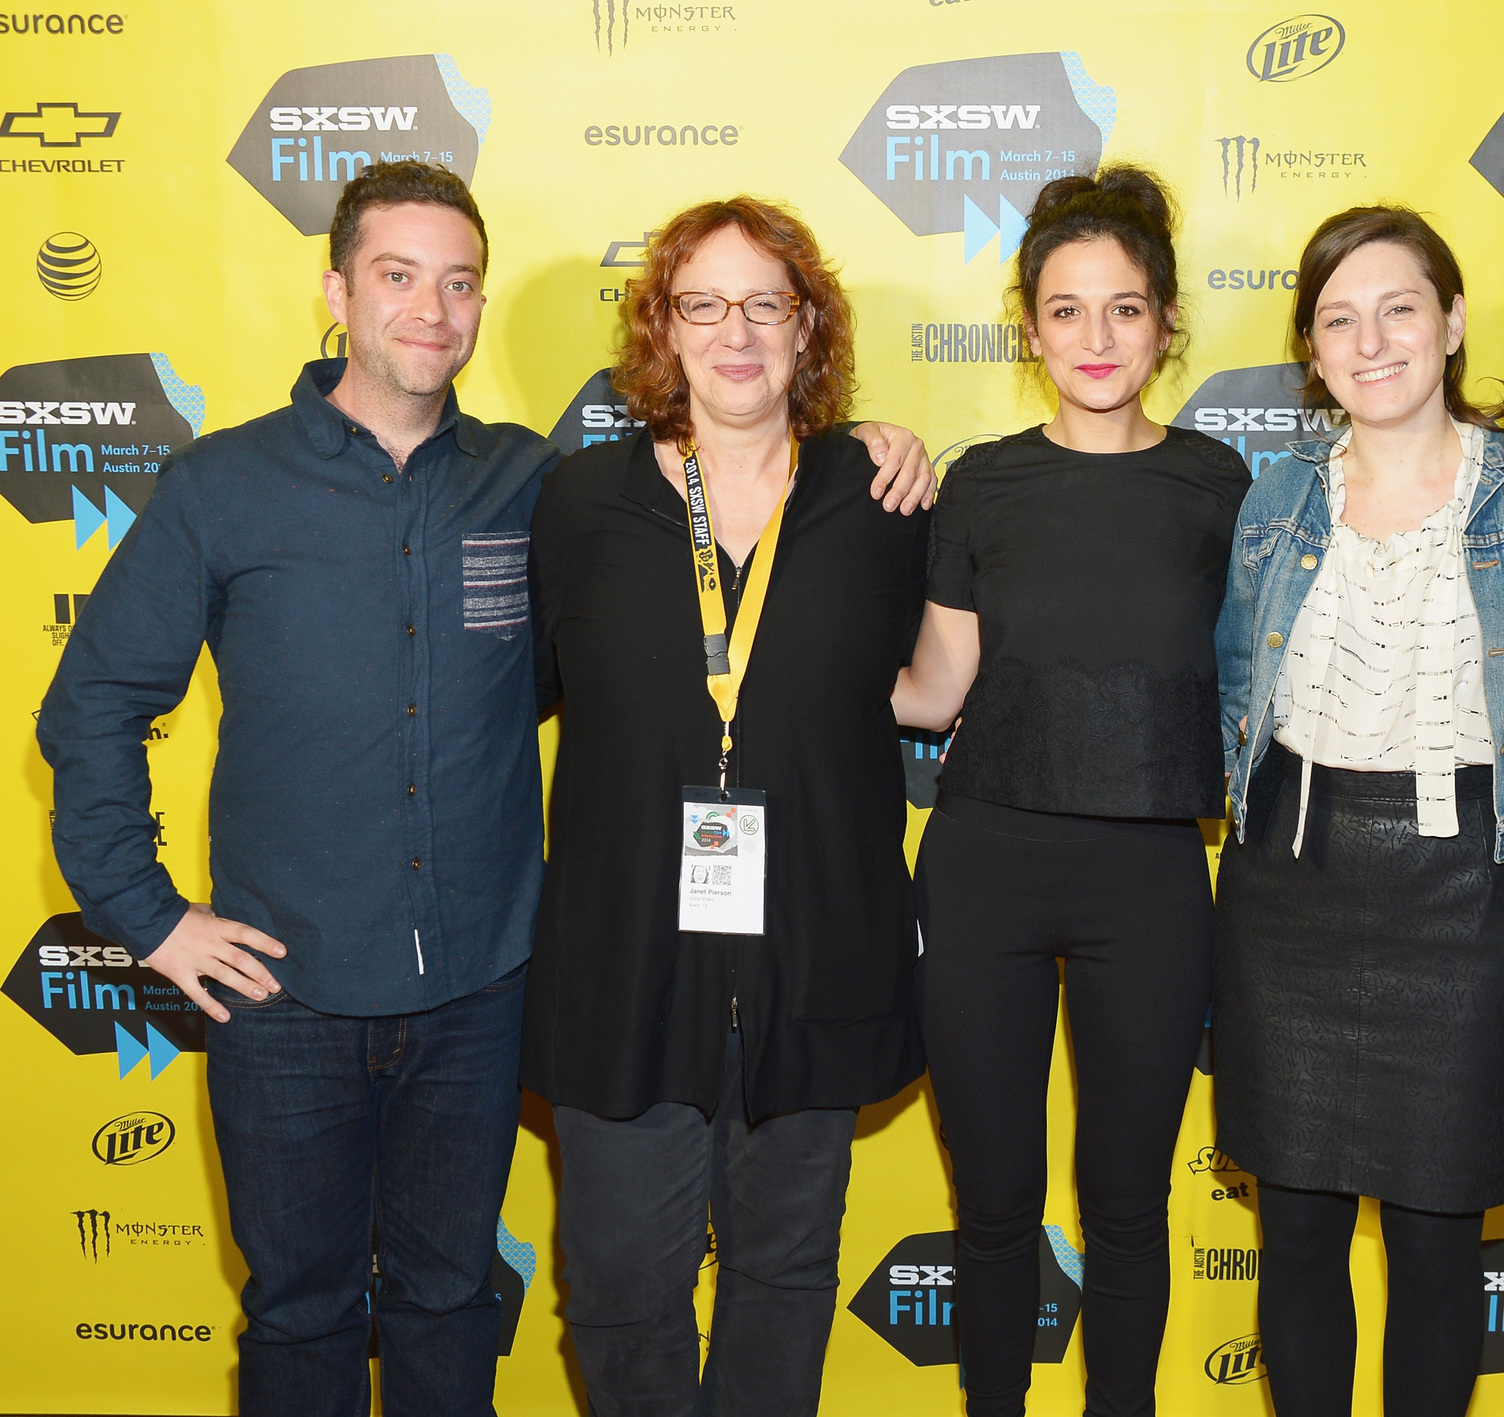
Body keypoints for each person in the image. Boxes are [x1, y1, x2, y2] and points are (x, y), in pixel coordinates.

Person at [35, 163, 932, 1417]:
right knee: (298, 1312)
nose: (430, 309)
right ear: (337, 289)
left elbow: (753, 585)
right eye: (398, 277)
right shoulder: (224, 487)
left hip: (478, 990)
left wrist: (875, 442)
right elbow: (89, 712)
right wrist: (148, 914)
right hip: (285, 986)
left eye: (458, 282)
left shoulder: (533, 484)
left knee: (451, 1296)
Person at [518, 196, 935, 1417]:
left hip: (811, 961)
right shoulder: (580, 502)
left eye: (766, 302)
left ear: (808, 328)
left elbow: (936, 685)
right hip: (623, 965)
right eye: (704, 303)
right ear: (663, 326)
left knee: (786, 1272)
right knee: (617, 1287)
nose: (736, 331)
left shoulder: (884, 495)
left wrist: (896, 440)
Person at [1210, 206, 1504, 1417]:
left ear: (1453, 319)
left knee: (1435, 1244)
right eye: (1337, 319)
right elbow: (1227, 680)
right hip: (1288, 883)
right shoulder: (1274, 497)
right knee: (1299, 1236)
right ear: (1311, 352)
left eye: (1398, 308)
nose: (1370, 341)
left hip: (1471, 893)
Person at [892, 167, 1250, 1417]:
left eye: (1125, 309)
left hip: (1148, 883)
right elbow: (935, 690)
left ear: (1163, 323)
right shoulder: (981, 480)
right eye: (1065, 311)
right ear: (1027, 325)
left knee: (1128, 1208)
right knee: (992, 1208)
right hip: (984, 868)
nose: (1095, 340)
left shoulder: (1221, 484)